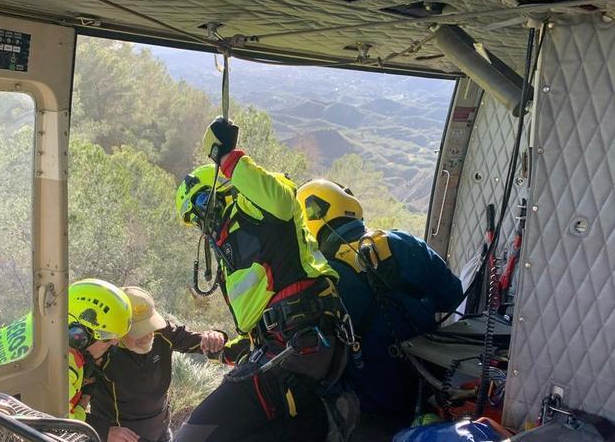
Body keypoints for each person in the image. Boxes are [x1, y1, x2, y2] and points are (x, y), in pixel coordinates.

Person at [172, 117, 351, 442]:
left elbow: (281, 201)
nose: (200, 220)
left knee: (193, 437)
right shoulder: (232, 260)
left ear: (221, 190)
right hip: (288, 350)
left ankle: (325, 420)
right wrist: (225, 351)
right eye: (192, 218)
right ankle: (321, 421)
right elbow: (260, 326)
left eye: (200, 204)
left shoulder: (254, 207)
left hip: (299, 345)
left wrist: (228, 159)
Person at [296, 179, 463, 434]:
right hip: (433, 392)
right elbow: (453, 296)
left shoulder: (322, 280)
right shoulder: (406, 243)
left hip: (369, 414)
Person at [0, 278, 132, 421]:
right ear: (79, 336)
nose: (113, 344)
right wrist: (83, 402)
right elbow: (65, 425)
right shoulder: (64, 365)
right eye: (108, 339)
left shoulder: (36, 325)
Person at [85, 286, 227, 442]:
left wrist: (214, 337)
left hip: (161, 434)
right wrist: (103, 430)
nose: (147, 335)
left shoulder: (164, 332)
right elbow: (67, 409)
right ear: (117, 330)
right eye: (138, 331)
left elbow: (205, 344)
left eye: (150, 326)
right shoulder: (99, 351)